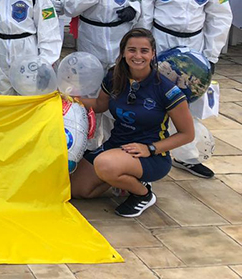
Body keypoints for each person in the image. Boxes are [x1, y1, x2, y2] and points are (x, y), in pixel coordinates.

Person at [139, 0, 232, 178]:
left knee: (190, 103)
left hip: (195, 44)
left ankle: (187, 156)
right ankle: (150, 152)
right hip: (161, 41)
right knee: (153, 100)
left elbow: (220, 16)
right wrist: (146, 51)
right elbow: (145, 15)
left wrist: (211, 55)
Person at [71, 28, 195, 218]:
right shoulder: (115, 77)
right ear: (122, 53)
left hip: (151, 155)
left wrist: (151, 149)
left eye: (144, 50)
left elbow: (187, 134)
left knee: (104, 164)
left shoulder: (166, 89)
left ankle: (143, 194)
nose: (138, 56)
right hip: (116, 147)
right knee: (78, 190)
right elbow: (99, 105)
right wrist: (67, 100)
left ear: (153, 53)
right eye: (132, 50)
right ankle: (122, 177)